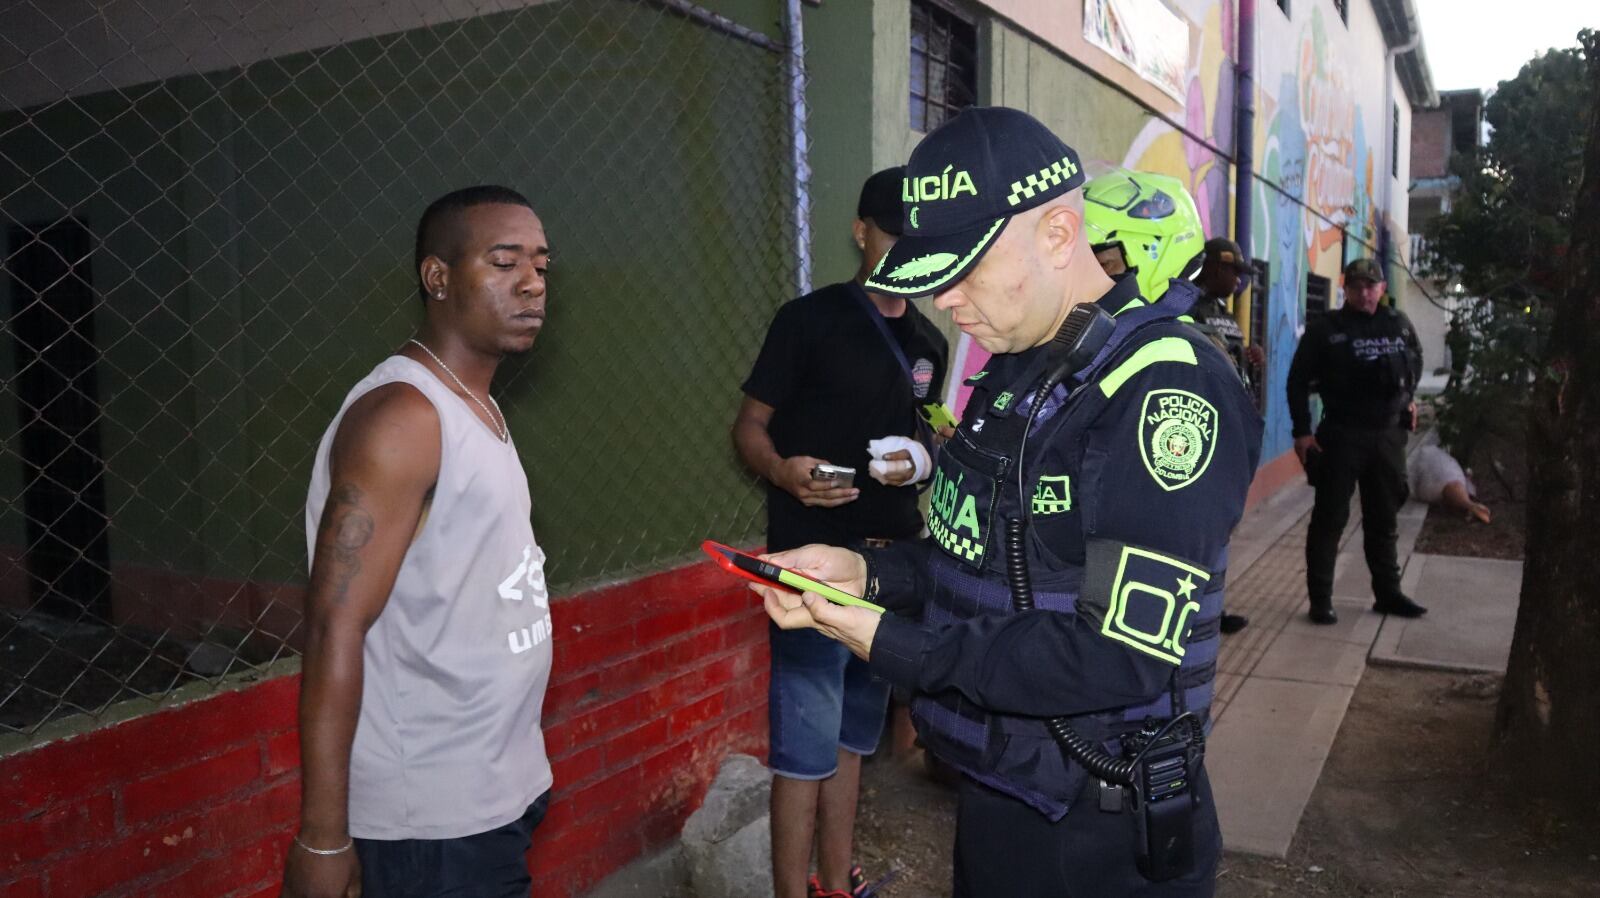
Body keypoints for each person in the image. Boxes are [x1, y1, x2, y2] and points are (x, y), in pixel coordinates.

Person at [754, 107, 1262, 897]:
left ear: (1059, 234)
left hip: (1098, 829)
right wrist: (867, 574)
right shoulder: (1023, 365)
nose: (946, 300)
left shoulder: (1165, 389)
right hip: (1005, 786)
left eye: (964, 272)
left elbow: (1120, 654)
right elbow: (979, 557)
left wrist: (892, 643)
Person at [284, 186, 555, 898]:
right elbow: (333, 624)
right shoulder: (404, 417)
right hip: (431, 819)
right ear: (438, 277)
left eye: (540, 265)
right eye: (504, 263)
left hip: (494, 785)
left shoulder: (472, 404)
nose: (532, 283)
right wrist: (323, 837)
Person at [731, 167, 949, 898]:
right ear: (860, 232)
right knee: (803, 748)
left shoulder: (929, 341)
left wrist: (920, 457)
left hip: (890, 567)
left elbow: (933, 429)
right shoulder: (809, 320)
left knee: (855, 738)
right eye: (893, 235)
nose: (907, 253)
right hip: (812, 568)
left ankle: (834, 879)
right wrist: (782, 470)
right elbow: (749, 425)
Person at [1081, 172, 1251, 635]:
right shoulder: (1111, 344)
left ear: (1152, 254)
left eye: (1102, 261)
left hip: (1135, 642)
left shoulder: (1179, 368)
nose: (1082, 275)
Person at [1287, 257, 1426, 625]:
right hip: (1342, 436)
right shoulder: (1325, 329)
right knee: (1330, 519)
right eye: (1356, 287)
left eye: (1370, 286)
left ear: (1382, 289)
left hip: (1387, 437)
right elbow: (1297, 381)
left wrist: (1408, 399)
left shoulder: (1398, 324)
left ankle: (1388, 594)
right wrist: (1302, 432)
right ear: (1345, 289)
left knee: (1384, 518)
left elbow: (1415, 361)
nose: (1364, 293)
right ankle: (1321, 600)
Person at [1410, 441, 1492, 523]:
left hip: (1442, 478)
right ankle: (1469, 505)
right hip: (1441, 477)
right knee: (1450, 485)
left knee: (1450, 485)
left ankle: (1469, 505)